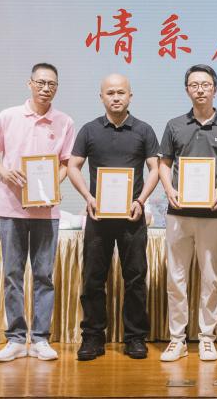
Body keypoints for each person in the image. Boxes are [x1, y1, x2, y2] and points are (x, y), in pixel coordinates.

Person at [0, 63, 75, 362]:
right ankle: (14, 339)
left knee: (44, 275)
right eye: (41, 82)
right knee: (12, 275)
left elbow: (66, 163)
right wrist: (6, 173)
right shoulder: (8, 116)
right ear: (30, 83)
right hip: (11, 209)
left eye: (52, 84)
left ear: (57, 88)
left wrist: (53, 186)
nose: (46, 88)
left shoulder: (65, 121)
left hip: (47, 212)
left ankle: (40, 339)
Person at [67, 74, 160, 361]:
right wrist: (88, 197)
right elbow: (72, 166)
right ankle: (92, 337)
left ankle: (135, 337)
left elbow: (155, 169)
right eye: (110, 93)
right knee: (93, 278)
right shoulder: (89, 130)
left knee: (135, 278)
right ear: (101, 97)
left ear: (130, 96)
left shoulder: (144, 130)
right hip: (99, 217)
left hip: (132, 216)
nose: (116, 97)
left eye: (121, 92)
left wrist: (140, 200)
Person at [157, 64, 217, 363]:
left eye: (206, 84)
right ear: (187, 90)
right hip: (178, 212)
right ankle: (177, 340)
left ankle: (207, 338)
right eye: (194, 85)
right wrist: (169, 189)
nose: (200, 90)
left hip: (213, 215)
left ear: (215, 88)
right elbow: (164, 163)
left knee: (211, 279)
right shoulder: (174, 125)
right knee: (176, 278)